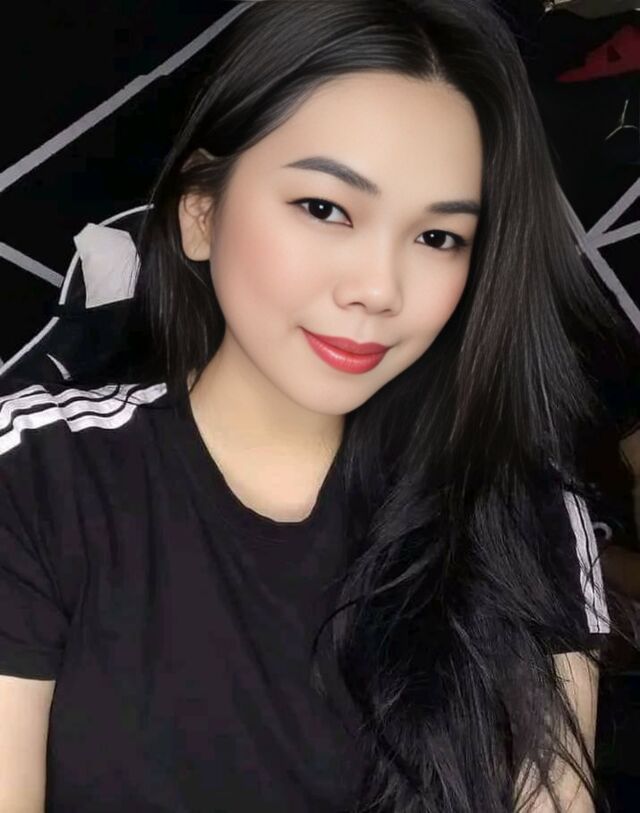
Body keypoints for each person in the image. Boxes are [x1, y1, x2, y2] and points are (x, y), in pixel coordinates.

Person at [0, 1, 635, 810]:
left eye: (438, 237)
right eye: (325, 208)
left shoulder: (522, 513)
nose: (378, 288)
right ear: (201, 213)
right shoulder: (38, 479)